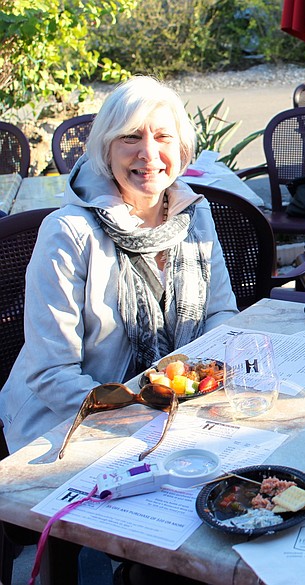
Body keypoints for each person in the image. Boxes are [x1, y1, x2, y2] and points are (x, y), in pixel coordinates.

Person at [0, 76, 239, 453]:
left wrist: (203, 384)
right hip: (69, 423)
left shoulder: (196, 215)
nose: (148, 153)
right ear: (105, 150)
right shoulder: (67, 232)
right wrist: (142, 416)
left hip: (175, 411)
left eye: (163, 137)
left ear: (184, 151)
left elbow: (221, 313)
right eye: (130, 137)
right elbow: (52, 375)